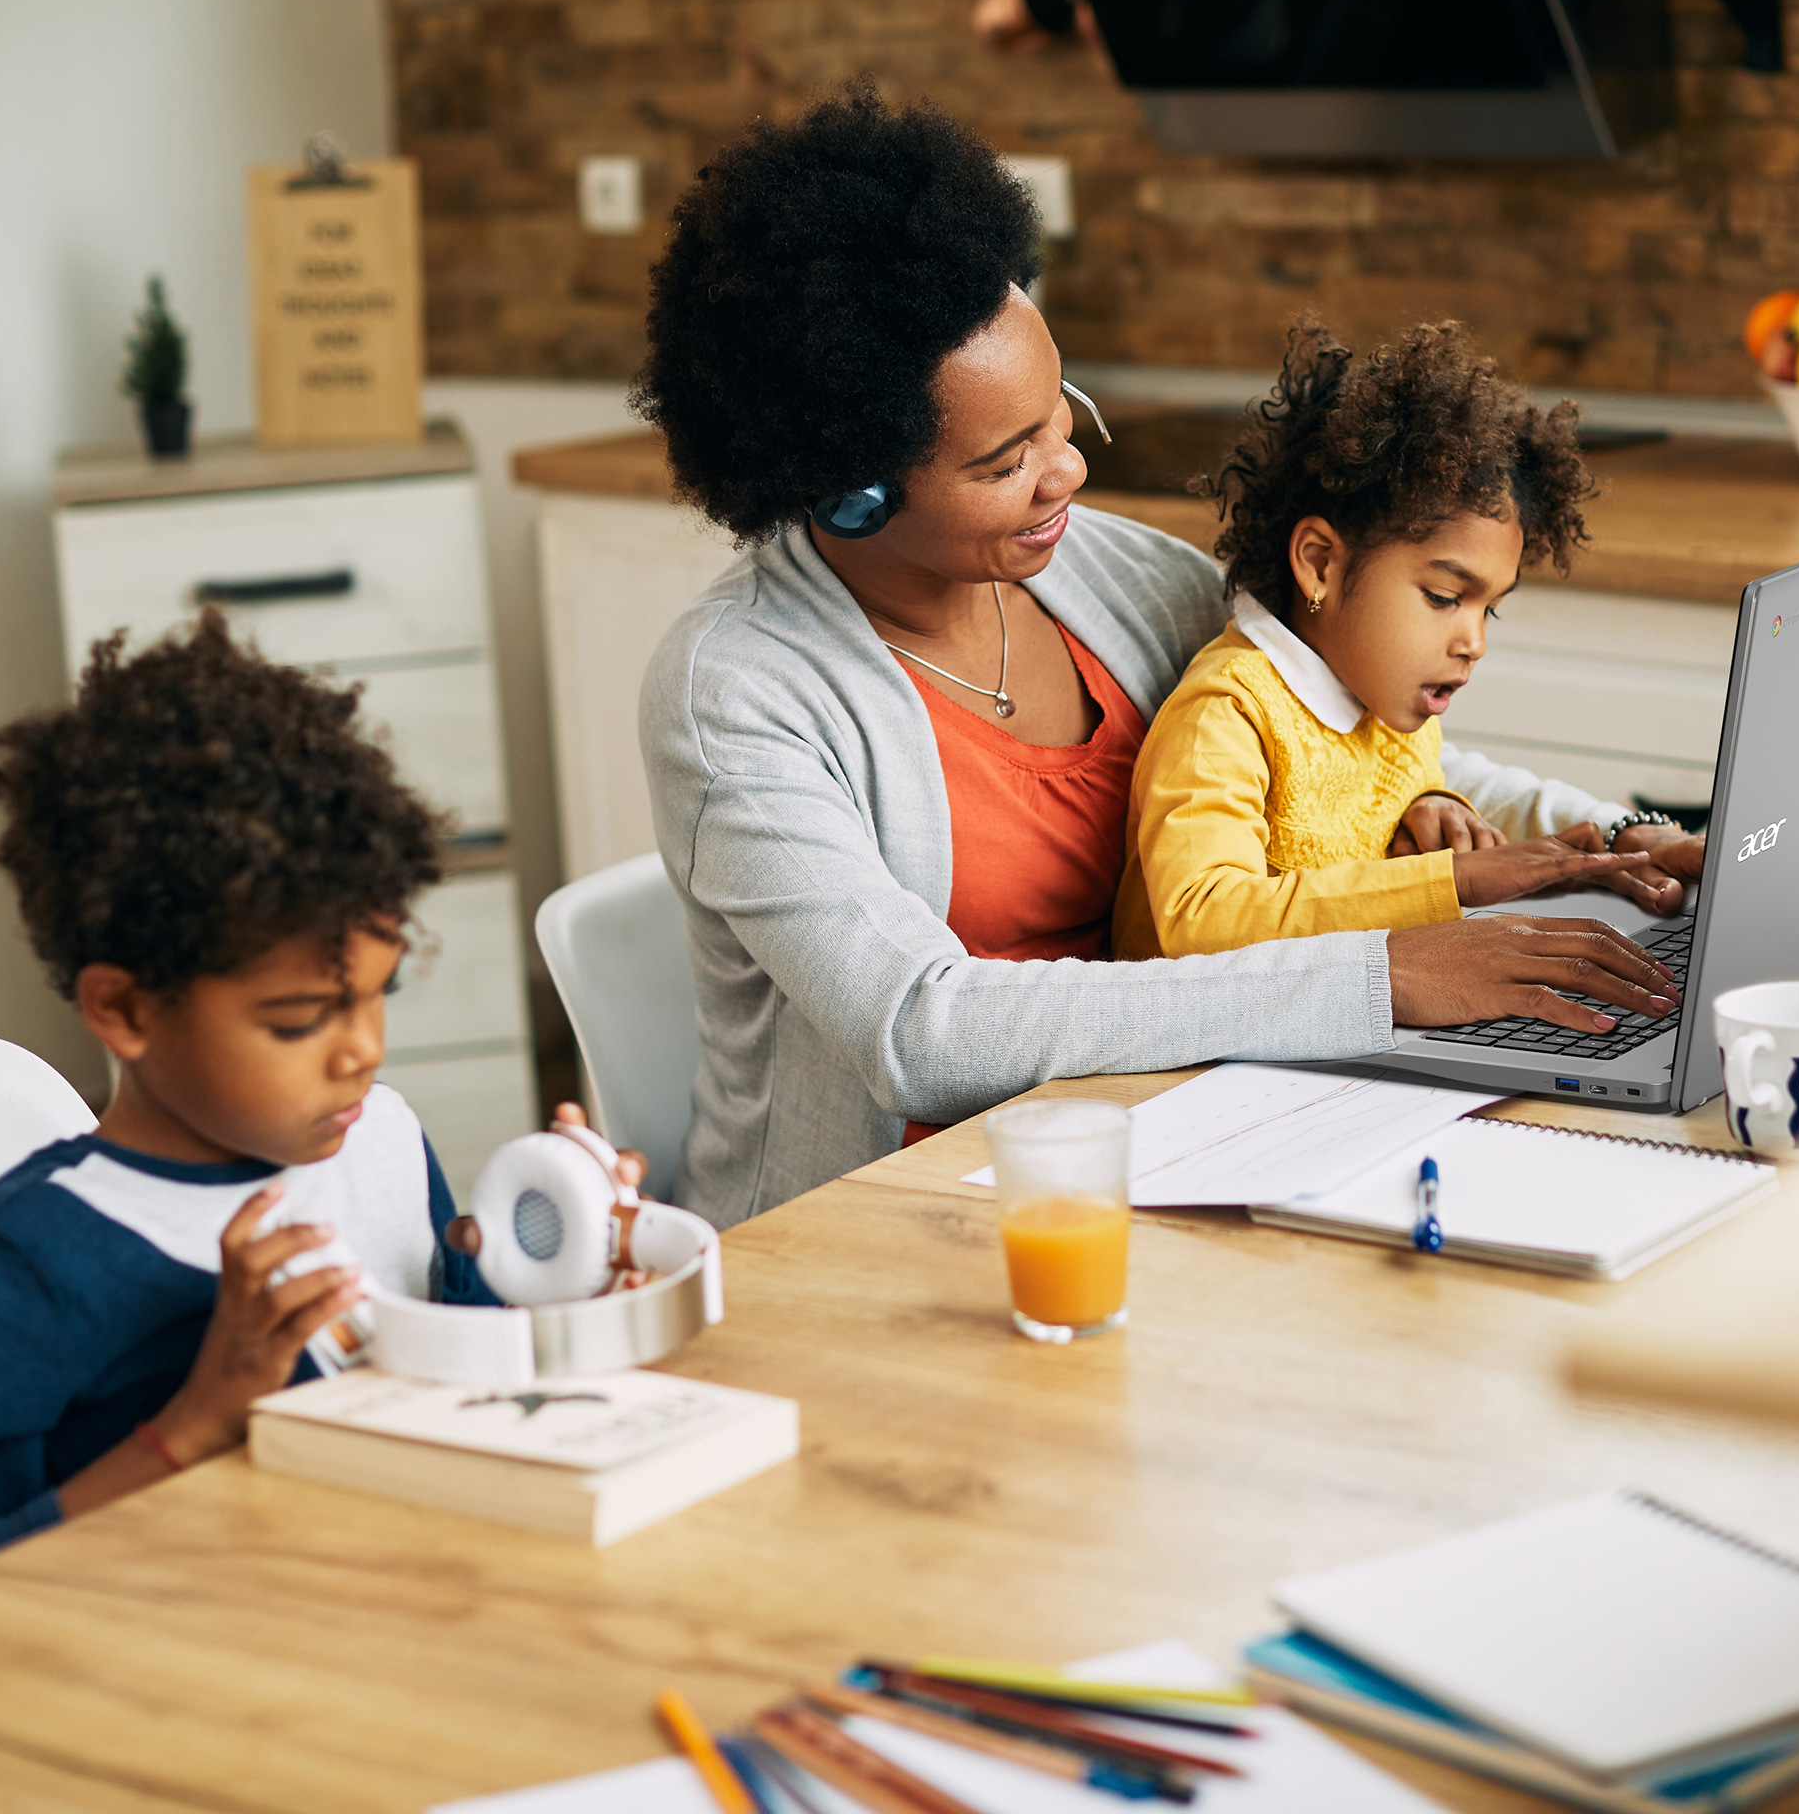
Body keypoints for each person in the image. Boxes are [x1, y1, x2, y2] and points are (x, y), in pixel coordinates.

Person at [635, 82, 1699, 1227]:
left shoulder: (1110, 573)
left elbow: (1343, 731)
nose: (1069, 473)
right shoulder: (740, 691)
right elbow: (920, 1029)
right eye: (1006, 462)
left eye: (1063, 413)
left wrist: (1613, 839)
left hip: (1173, 1144)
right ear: (848, 494)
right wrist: (1380, 977)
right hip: (881, 1226)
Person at [0, 616, 590, 1622]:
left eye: (377, 993)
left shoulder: (382, 1135)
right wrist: (197, 1419)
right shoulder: (24, 1260)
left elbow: (453, 1402)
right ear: (126, 1011)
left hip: (396, 1617)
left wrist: (549, 1270)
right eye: (302, 1019)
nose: (363, 1048)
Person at [1118, 316, 1682, 958]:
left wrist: (1438, 807)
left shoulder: (1383, 694)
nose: (1474, 642)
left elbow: (1374, 811)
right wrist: (1450, 878)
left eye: (1488, 610)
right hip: (1196, 1058)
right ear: (1321, 563)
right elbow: (1202, 917)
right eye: (1444, 598)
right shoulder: (1227, 715)